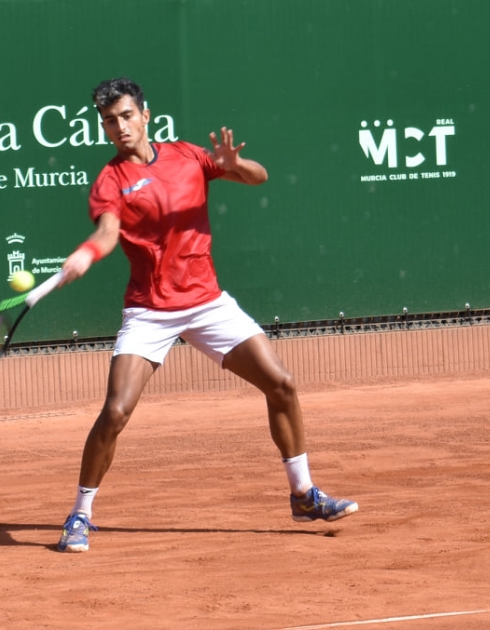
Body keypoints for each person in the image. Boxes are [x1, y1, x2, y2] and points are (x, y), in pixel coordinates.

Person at [55, 77, 357, 553]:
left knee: (281, 383)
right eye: (110, 121)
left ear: (145, 115)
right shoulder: (110, 180)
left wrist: (236, 165)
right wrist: (87, 254)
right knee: (114, 412)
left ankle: (303, 495)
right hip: (150, 310)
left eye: (127, 115)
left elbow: (259, 176)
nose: (119, 126)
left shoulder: (188, 156)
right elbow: (109, 232)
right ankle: (79, 514)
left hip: (207, 302)